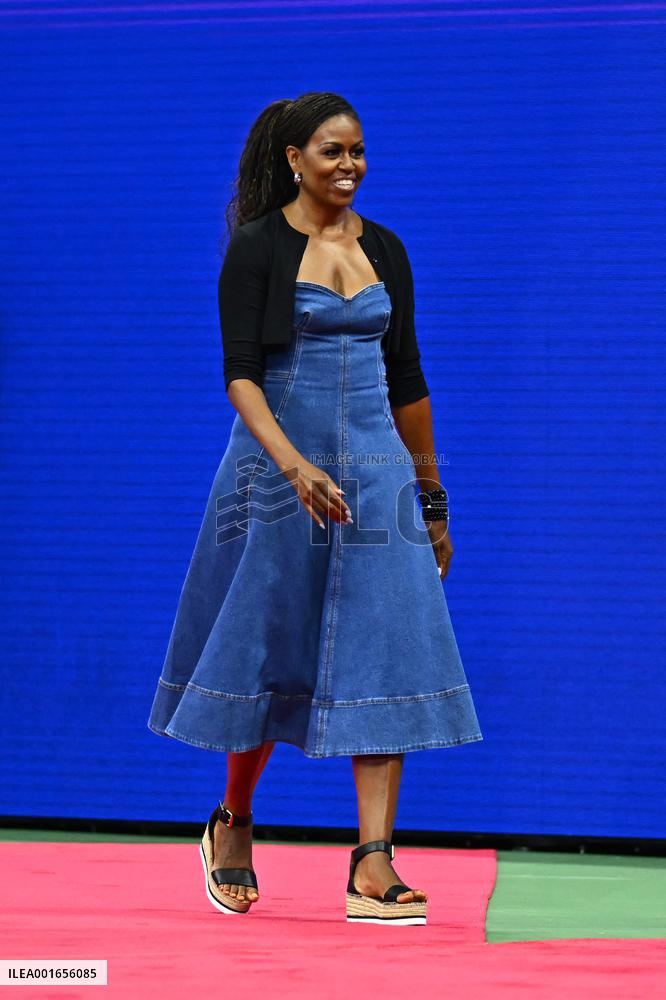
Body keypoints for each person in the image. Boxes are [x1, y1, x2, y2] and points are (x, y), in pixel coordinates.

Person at [147, 91, 483, 925]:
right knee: (266, 644)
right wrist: (293, 467)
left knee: (390, 646)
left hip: (377, 477)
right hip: (275, 470)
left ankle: (373, 861)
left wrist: (430, 496)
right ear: (294, 158)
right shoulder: (259, 248)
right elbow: (240, 376)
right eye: (332, 151)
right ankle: (233, 818)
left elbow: (408, 382)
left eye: (358, 151)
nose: (350, 165)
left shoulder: (389, 252)